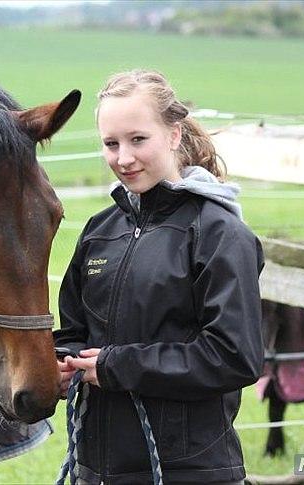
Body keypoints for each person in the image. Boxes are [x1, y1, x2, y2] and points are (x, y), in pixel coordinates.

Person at [54, 70, 265, 484]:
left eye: (138, 139)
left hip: (188, 470)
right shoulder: (100, 232)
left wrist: (121, 365)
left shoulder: (218, 233)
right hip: (95, 469)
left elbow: (234, 357)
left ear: (173, 134)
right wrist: (61, 364)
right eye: (111, 144)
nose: (124, 158)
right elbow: (75, 331)